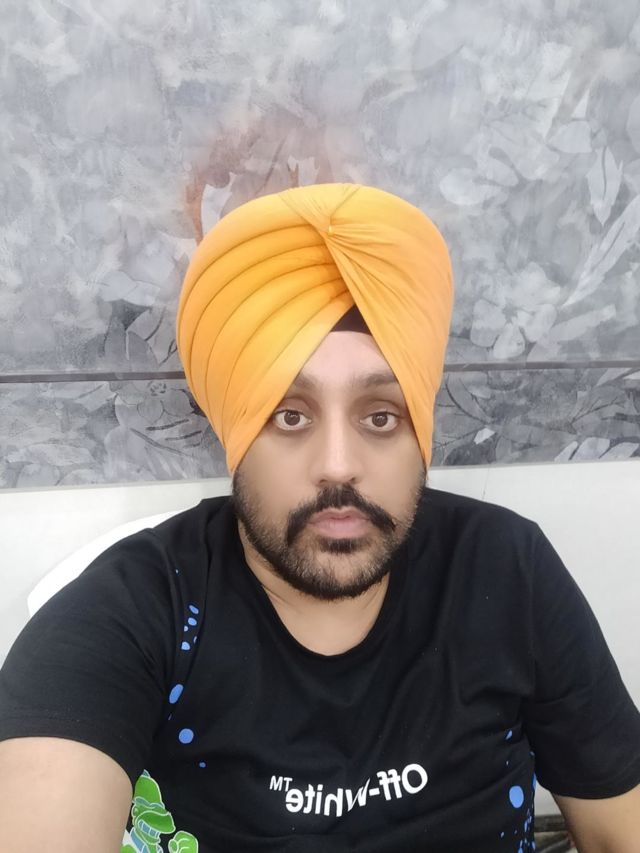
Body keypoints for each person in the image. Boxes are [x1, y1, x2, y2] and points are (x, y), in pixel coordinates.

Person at [0, 183, 638, 853]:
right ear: (236, 433)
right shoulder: (136, 609)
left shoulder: (505, 570)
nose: (338, 466)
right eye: (289, 415)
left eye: (380, 417)